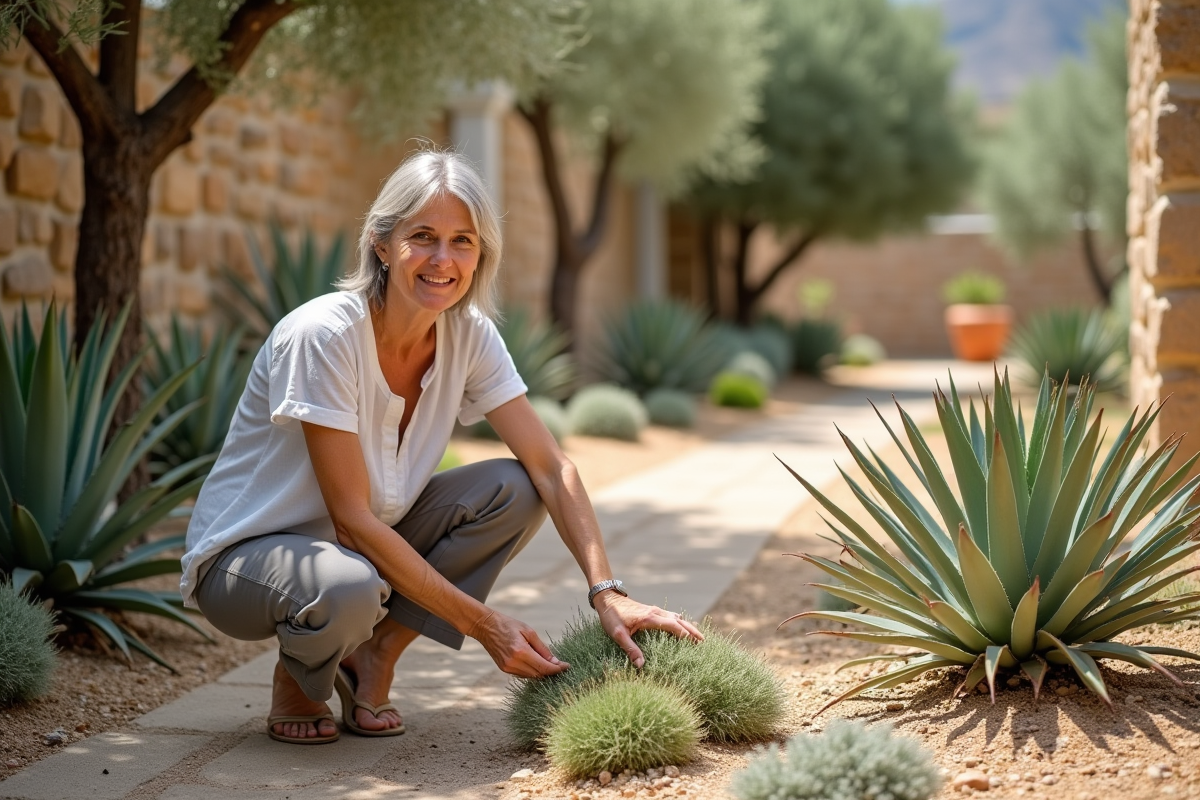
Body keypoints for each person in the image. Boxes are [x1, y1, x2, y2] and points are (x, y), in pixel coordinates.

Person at [180, 149, 702, 745]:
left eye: (463, 241)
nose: (442, 260)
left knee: (515, 489)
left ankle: (374, 657)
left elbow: (553, 468)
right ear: (381, 243)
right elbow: (350, 520)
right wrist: (486, 627)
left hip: (356, 551)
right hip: (248, 562)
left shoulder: (469, 333)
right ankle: (299, 681)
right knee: (346, 585)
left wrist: (609, 594)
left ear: (482, 255)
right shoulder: (323, 335)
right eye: (422, 236)